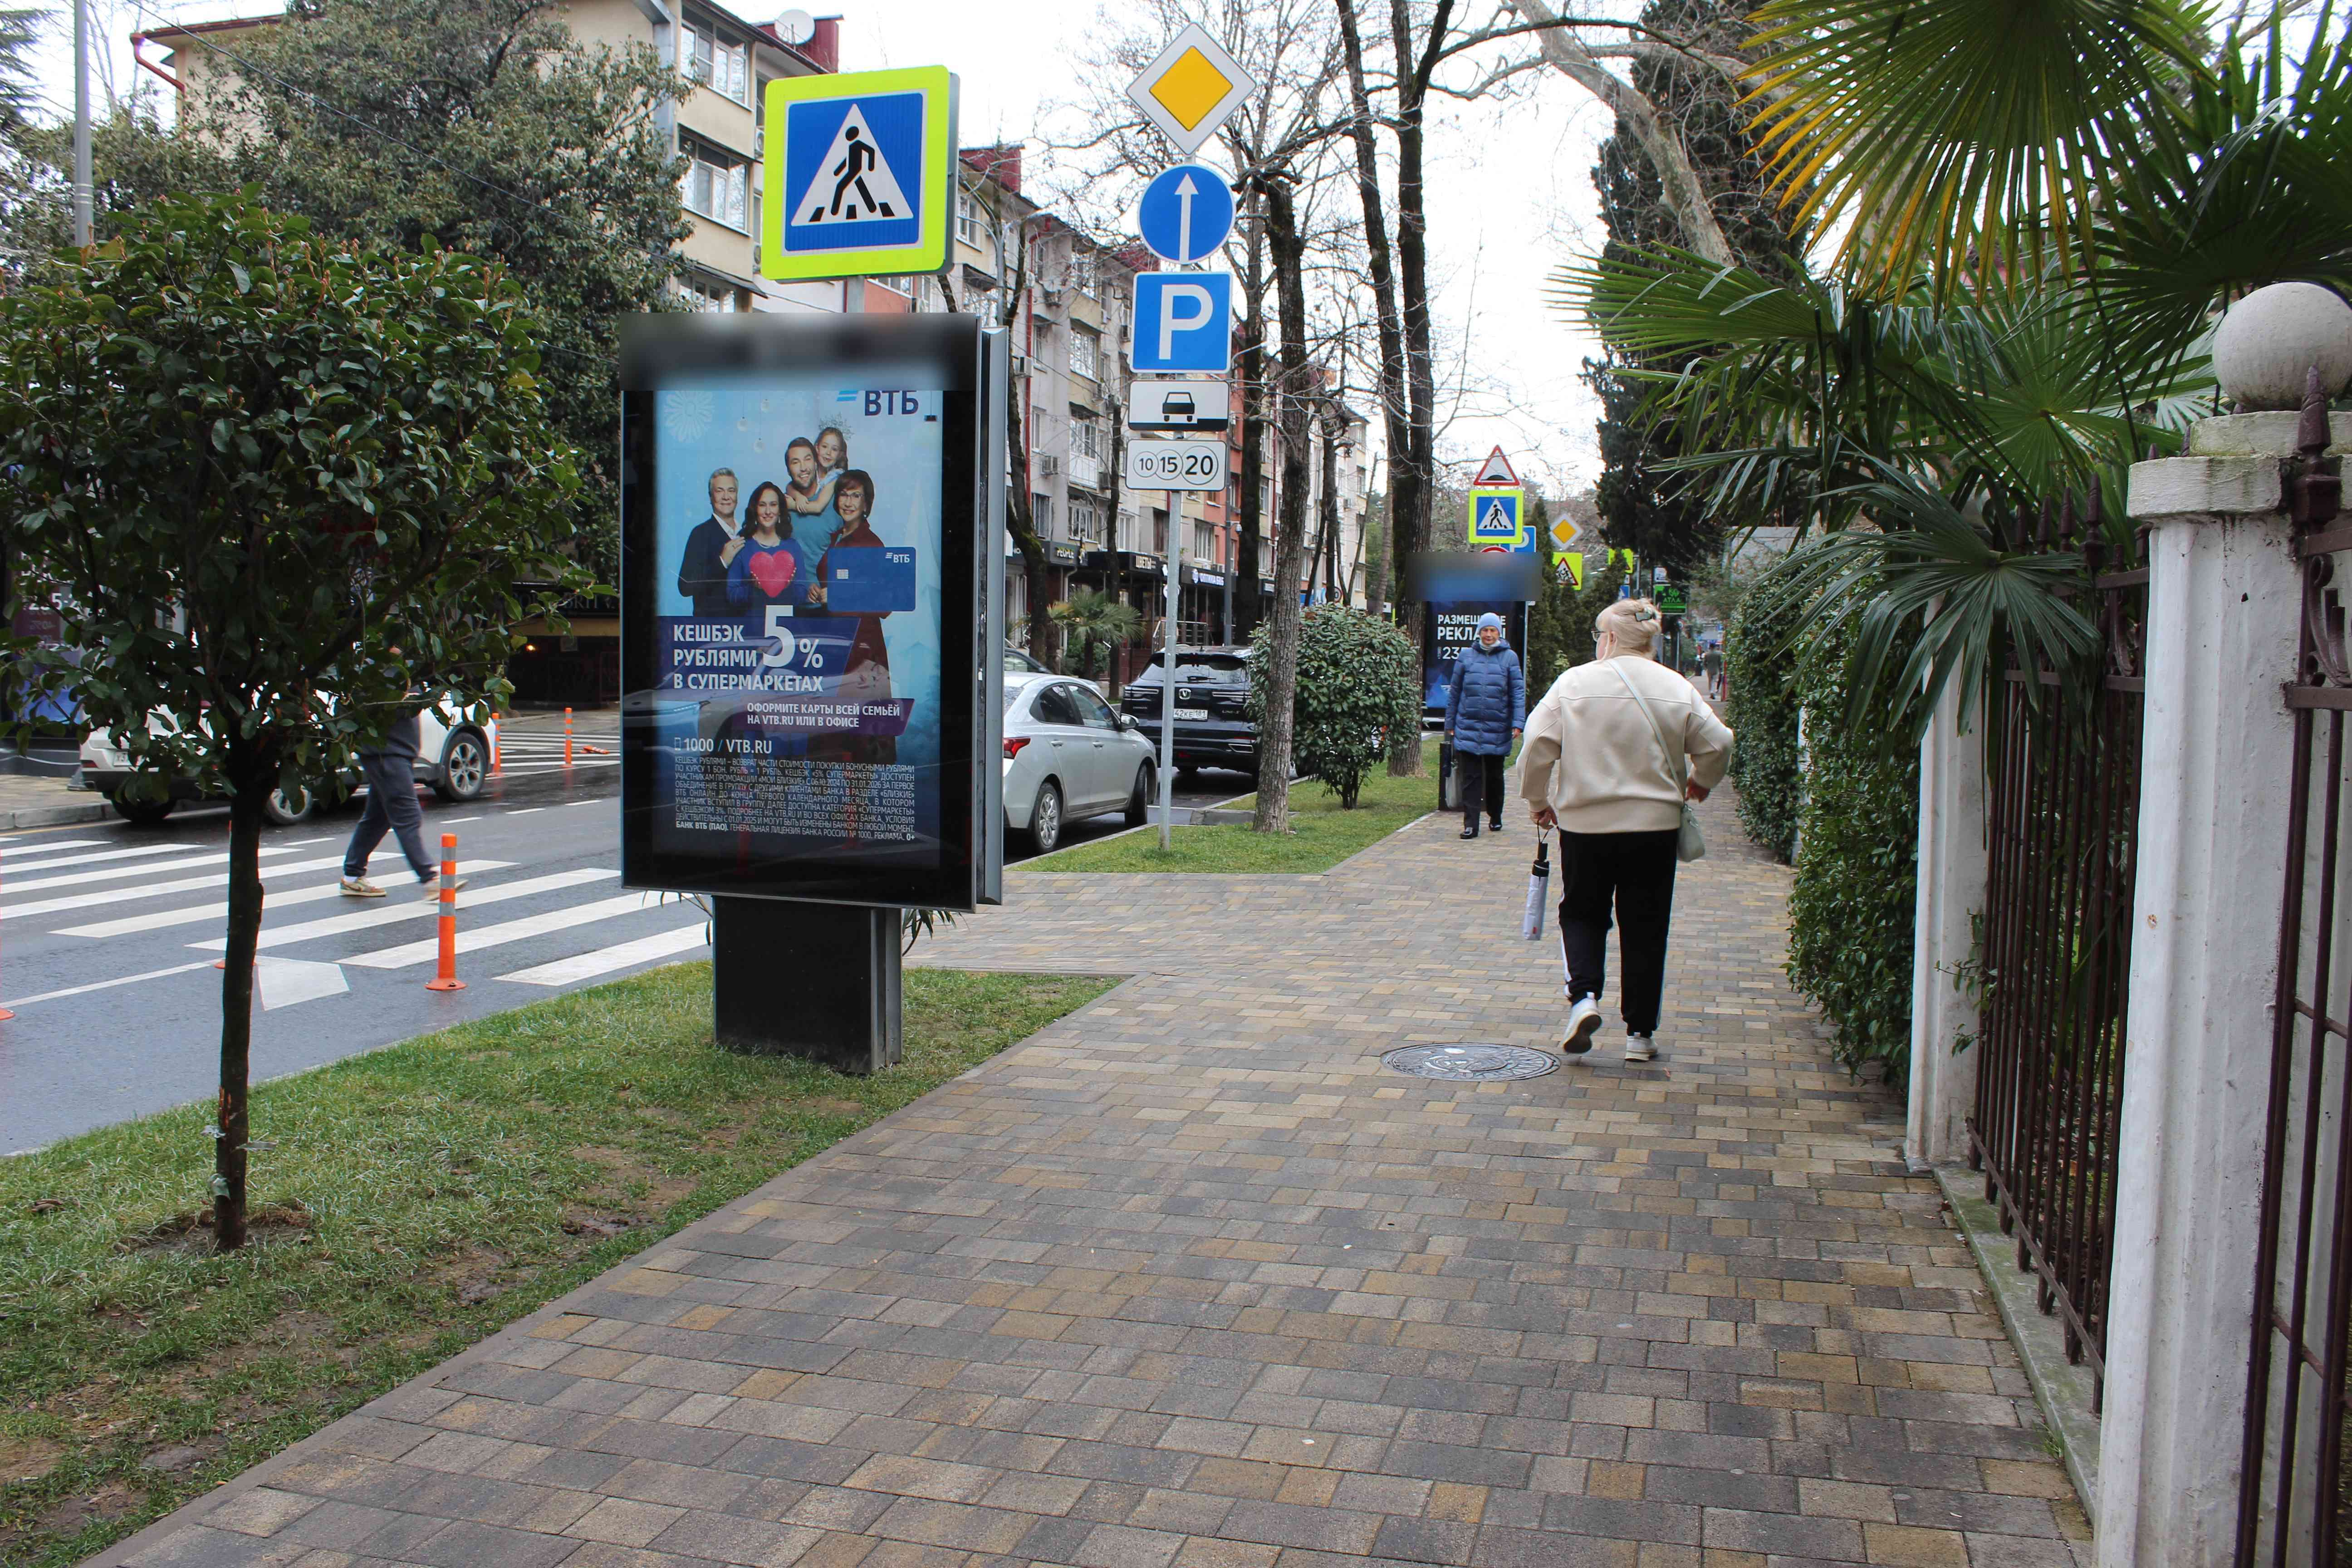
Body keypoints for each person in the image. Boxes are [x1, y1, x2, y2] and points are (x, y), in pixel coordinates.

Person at [1520, 598, 1733, 1063]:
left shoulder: (1574, 683)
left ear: (1610, 638)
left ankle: (1584, 999)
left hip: (1585, 824)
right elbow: (1720, 741)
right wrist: (1701, 782)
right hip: (1654, 827)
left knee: (1582, 913)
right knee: (1646, 924)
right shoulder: (1676, 686)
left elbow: (1537, 740)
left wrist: (1539, 800)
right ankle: (1640, 1034)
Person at [340, 686, 460, 899]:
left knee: (378, 818)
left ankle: (352, 876)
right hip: (387, 754)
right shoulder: (381, 670)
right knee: (408, 816)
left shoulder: (406, 667)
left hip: (393, 754)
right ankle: (430, 879)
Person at [811, 468, 895, 766]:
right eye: (844, 495)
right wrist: (818, 590)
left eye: (855, 496)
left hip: (862, 648)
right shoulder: (837, 538)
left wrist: (836, 595)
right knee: (833, 736)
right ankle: (843, 811)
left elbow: (885, 604)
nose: (848, 502)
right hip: (837, 644)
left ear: (866, 503)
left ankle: (857, 811)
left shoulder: (871, 544)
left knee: (862, 738)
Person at [1443, 612, 1523, 838]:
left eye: (1493, 630)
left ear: (1499, 633)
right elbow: (1455, 691)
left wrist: (1518, 722)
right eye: (1485, 630)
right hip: (1468, 726)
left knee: (1495, 777)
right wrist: (1450, 722)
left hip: (1497, 727)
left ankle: (1495, 815)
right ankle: (1471, 824)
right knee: (1471, 777)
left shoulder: (1510, 658)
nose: (1489, 635)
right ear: (1479, 632)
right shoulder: (1466, 656)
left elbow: (1517, 692)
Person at [725, 480, 807, 614]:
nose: (768, 511)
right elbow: (731, 594)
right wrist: (754, 589)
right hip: (752, 628)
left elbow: (802, 595)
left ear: (780, 510)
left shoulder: (793, 547)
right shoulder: (743, 546)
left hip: (786, 629)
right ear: (755, 510)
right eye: (762, 505)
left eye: (773, 505)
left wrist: (787, 587)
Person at [675, 468, 743, 620]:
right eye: (720, 491)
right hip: (711, 628)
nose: (726, 497)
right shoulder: (700, 534)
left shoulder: (747, 534)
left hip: (745, 629)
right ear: (711, 497)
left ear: (737, 496)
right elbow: (685, 587)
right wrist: (722, 562)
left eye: (731, 491)